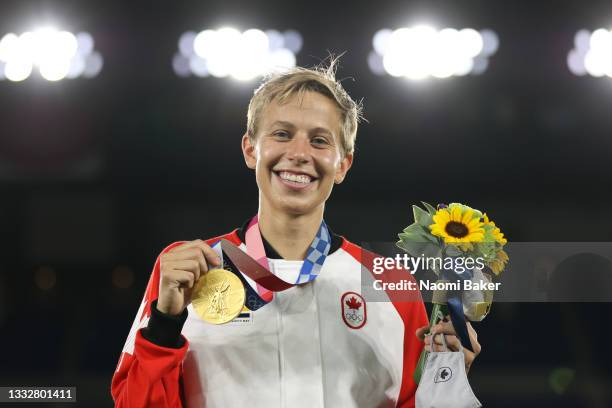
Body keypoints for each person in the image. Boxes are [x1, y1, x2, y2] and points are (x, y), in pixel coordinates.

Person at [111, 59, 481, 407]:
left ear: (343, 165)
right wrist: (163, 325)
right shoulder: (189, 268)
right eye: (282, 134)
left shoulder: (389, 283)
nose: (299, 153)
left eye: (320, 141)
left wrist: (448, 378)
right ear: (250, 150)